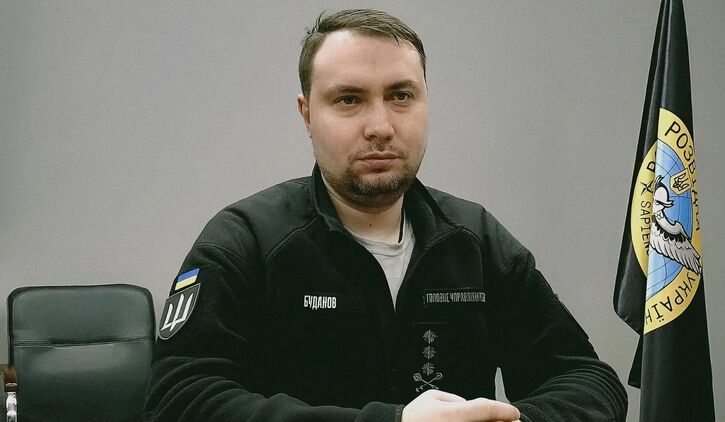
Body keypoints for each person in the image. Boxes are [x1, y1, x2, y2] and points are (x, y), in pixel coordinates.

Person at [144, 8, 627, 422]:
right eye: (349, 100)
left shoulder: (475, 240)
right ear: (307, 114)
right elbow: (179, 400)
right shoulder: (246, 241)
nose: (380, 126)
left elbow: (589, 380)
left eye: (400, 96)